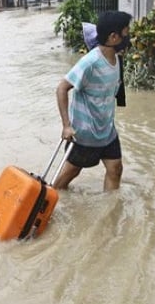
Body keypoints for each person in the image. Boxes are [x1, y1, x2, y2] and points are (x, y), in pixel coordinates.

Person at [54, 11, 133, 191]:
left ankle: (110, 212)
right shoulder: (90, 62)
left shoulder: (118, 59)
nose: (129, 37)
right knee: (70, 173)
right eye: (126, 32)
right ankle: (53, 199)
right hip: (85, 133)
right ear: (114, 37)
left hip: (107, 131)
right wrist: (66, 126)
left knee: (115, 169)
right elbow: (62, 88)